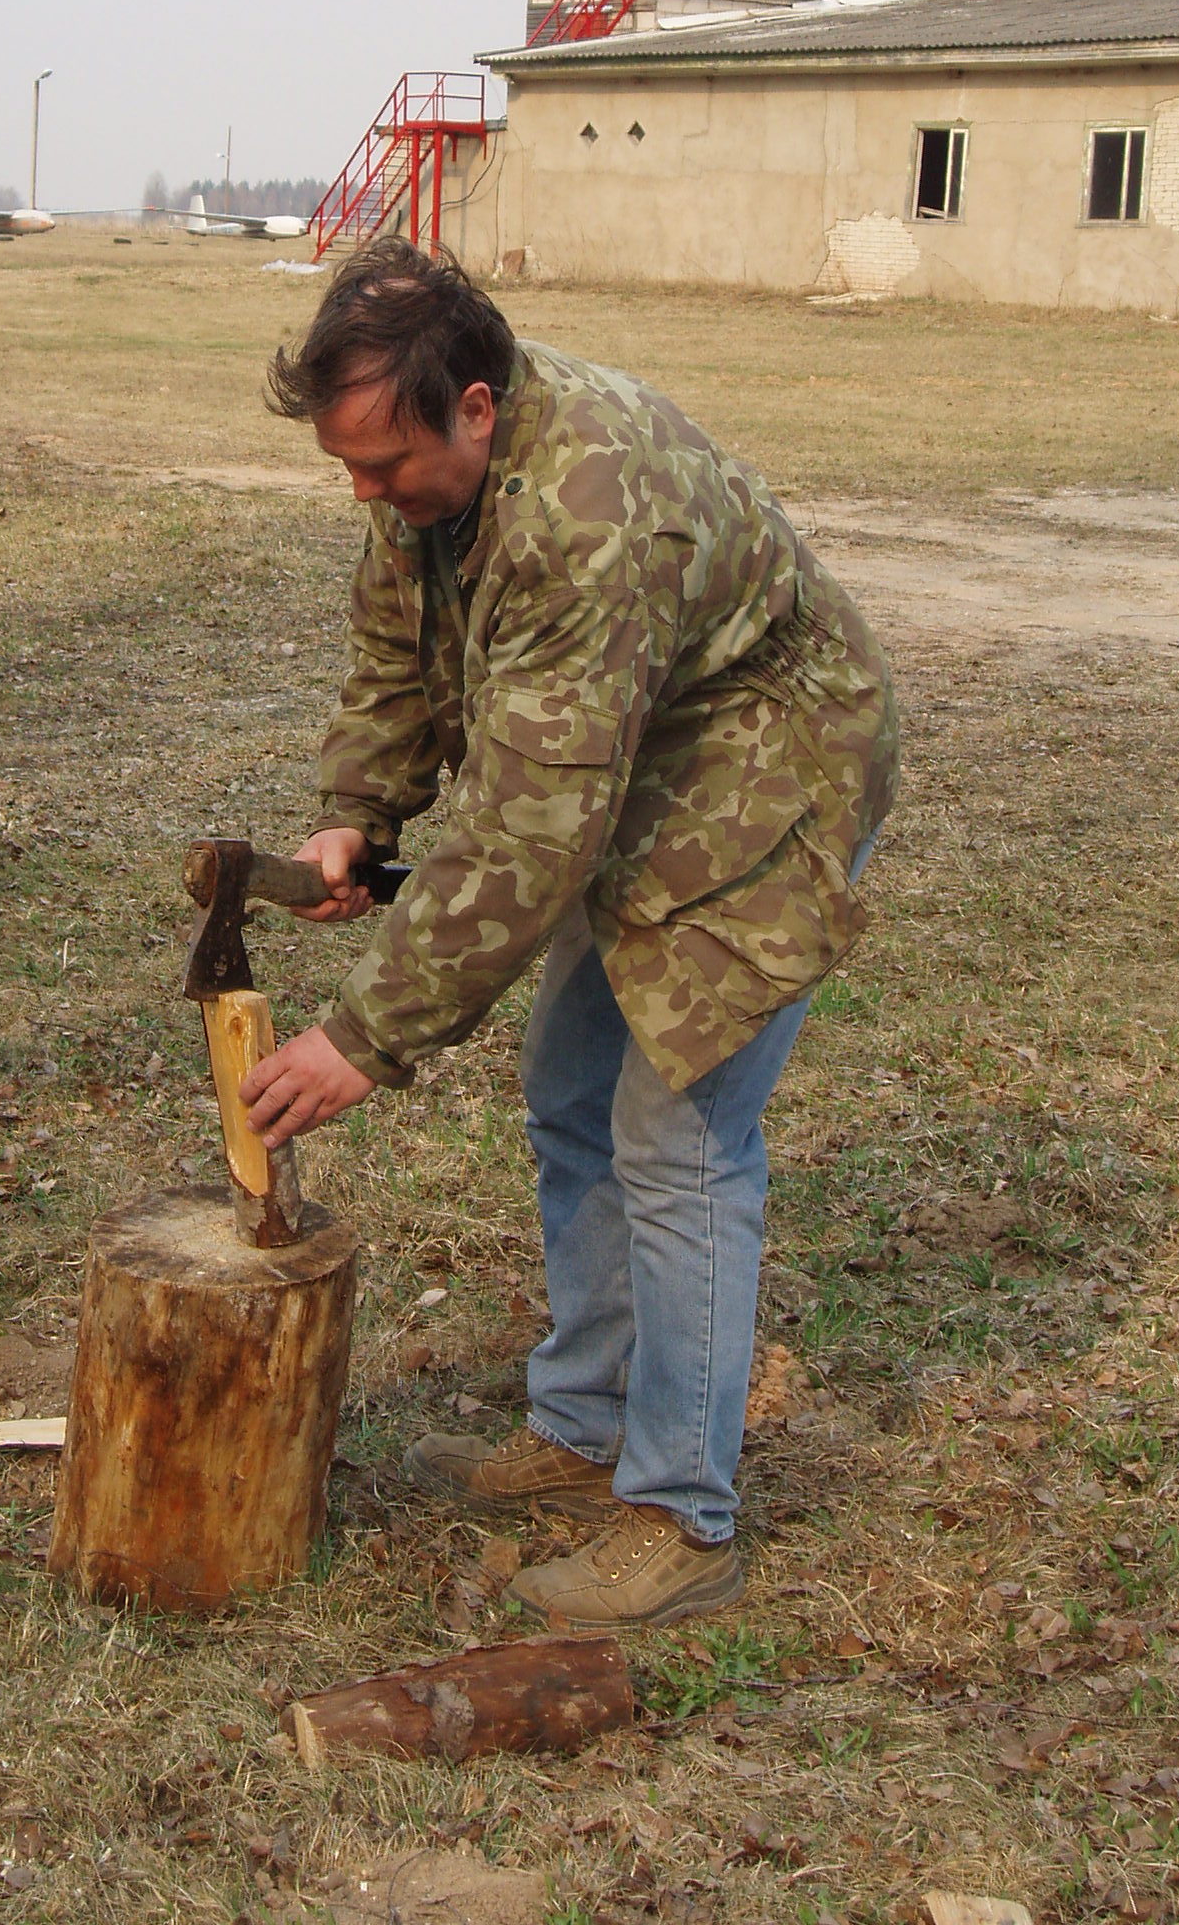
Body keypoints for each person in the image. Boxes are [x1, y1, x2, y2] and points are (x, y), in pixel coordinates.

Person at [240, 241, 897, 1628]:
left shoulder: (588, 511)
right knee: (569, 1093)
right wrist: (355, 812)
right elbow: (399, 648)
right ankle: (580, 1427)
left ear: (475, 405)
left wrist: (369, 1035)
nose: (364, 492)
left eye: (383, 464)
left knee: (680, 1133)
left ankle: (680, 1515)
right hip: (638, 753)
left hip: (765, 770)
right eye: (346, 466)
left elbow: (535, 827)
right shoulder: (427, 479)